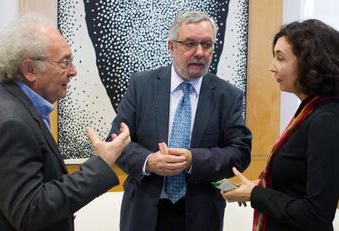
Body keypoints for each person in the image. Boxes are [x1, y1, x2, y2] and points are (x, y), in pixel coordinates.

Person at [0, 14, 130, 231]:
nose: (74, 71)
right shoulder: (10, 121)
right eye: (65, 62)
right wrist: (100, 163)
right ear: (30, 69)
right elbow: (30, 211)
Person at [108, 11, 252, 231]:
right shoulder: (142, 86)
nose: (200, 52)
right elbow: (116, 140)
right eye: (190, 44)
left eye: (207, 44)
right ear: (171, 46)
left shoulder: (227, 95)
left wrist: (194, 159)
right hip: (144, 213)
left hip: (201, 216)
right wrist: (148, 161)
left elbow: (240, 153)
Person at [221, 19, 339, 231]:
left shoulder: (328, 123)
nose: (271, 67)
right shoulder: (311, 113)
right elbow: (294, 187)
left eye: (280, 58)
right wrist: (255, 188)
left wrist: (256, 194)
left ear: (311, 65)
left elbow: (316, 214)